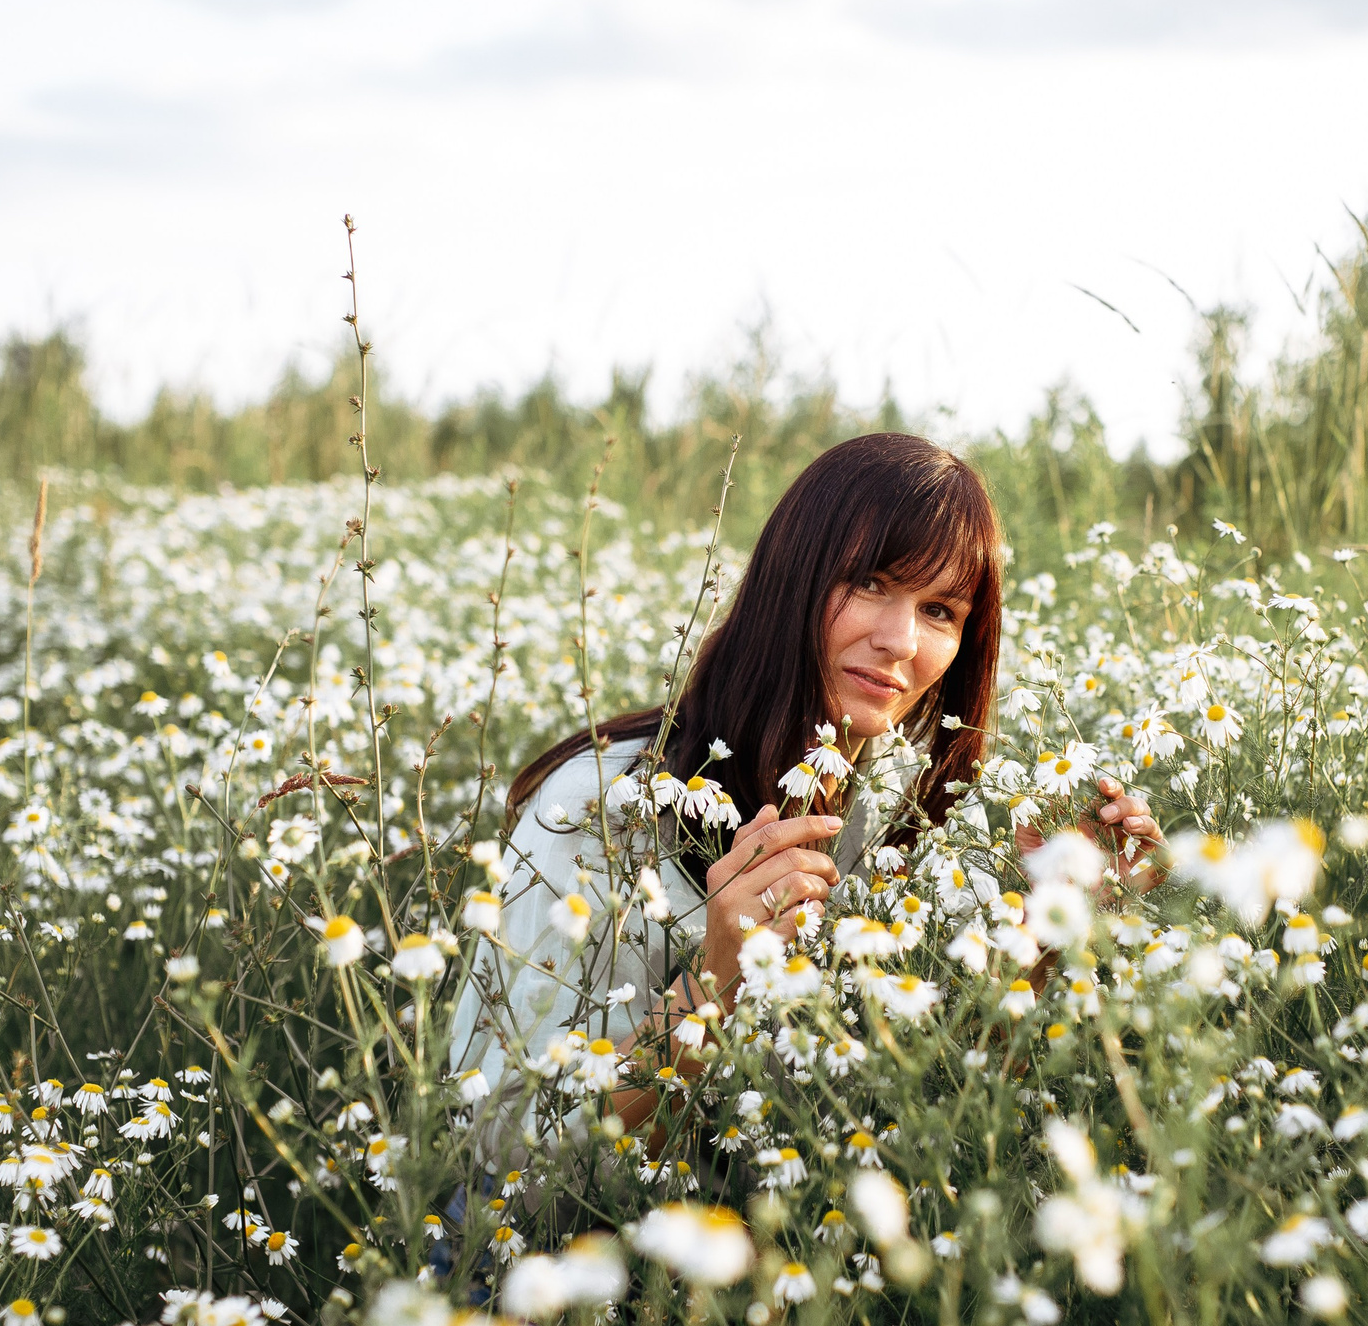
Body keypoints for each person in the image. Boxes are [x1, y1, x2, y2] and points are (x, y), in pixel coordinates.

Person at [450, 431, 1159, 1159]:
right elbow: (496, 1152)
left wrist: (1048, 936)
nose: (902, 640)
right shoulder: (596, 810)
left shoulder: (900, 810)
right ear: (790, 578)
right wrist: (712, 990)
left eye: (941, 610)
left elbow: (904, 1113)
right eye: (871, 582)